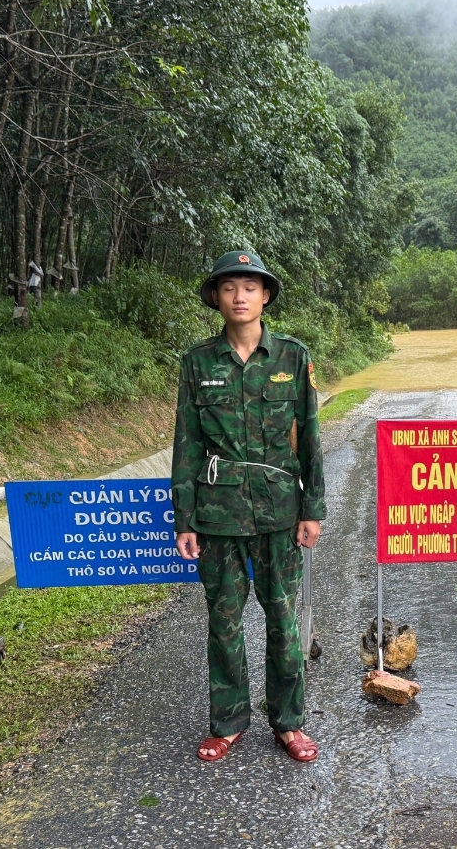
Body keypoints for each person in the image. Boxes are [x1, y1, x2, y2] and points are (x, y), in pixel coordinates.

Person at [171, 246, 326, 763]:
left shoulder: (292, 357)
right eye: (230, 286)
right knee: (224, 620)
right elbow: (187, 444)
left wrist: (313, 508)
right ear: (216, 296)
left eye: (251, 287)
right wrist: (185, 518)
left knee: (282, 620)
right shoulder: (197, 362)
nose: (240, 296)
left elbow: (310, 439)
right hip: (218, 517)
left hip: (280, 512)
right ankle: (229, 721)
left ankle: (289, 722)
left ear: (265, 296)